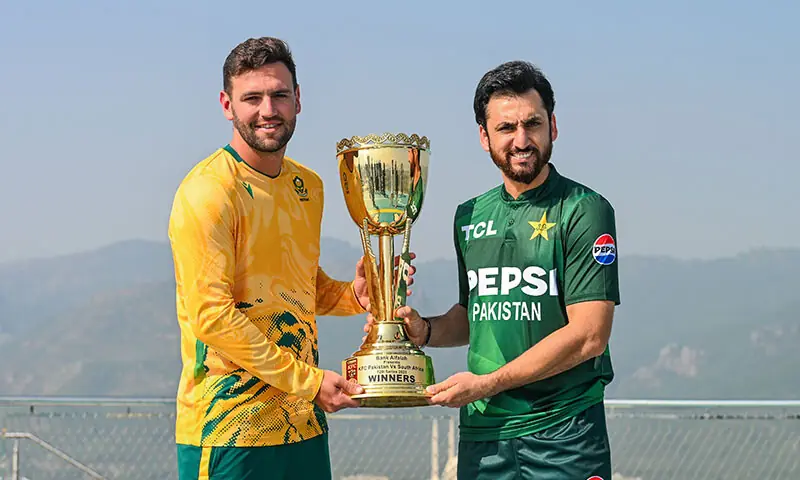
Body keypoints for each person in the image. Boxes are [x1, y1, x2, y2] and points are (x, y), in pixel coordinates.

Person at [168, 37, 411, 480]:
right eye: (252, 98)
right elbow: (212, 317)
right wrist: (311, 382)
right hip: (230, 429)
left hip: (303, 425)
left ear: (298, 100)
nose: (268, 110)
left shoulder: (309, 187)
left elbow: (302, 286)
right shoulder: (208, 191)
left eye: (280, 95)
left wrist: (357, 295)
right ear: (227, 105)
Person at [366, 60, 620, 479]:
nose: (521, 140)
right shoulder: (469, 216)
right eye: (506, 128)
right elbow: (475, 317)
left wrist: (486, 384)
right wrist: (423, 330)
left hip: (564, 432)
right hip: (484, 434)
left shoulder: (584, 210)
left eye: (532, 124)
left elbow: (589, 335)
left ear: (552, 127)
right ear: (484, 138)